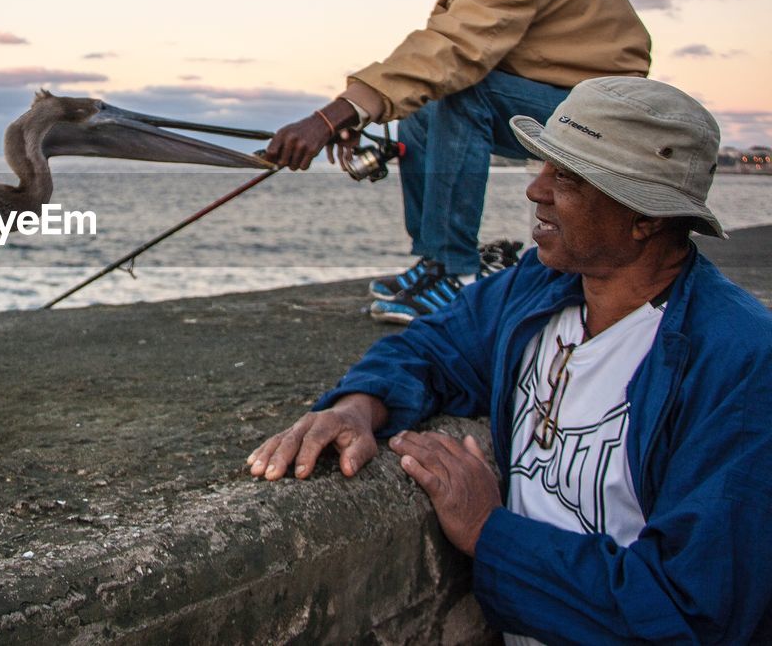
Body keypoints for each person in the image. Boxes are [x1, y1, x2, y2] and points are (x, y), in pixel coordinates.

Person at [247, 78, 772, 643]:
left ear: (646, 216)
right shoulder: (539, 286)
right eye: (542, 165)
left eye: (566, 177)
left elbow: (694, 613)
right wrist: (357, 407)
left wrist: (488, 532)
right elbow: (433, 347)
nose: (535, 191)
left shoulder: (740, 363)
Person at [264, 0, 651, 324]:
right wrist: (364, 109)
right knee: (426, 105)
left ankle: (455, 274)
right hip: (564, 100)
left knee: (459, 91)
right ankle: (433, 262)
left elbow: (452, 53)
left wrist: (334, 116)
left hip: (606, 119)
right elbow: (436, 58)